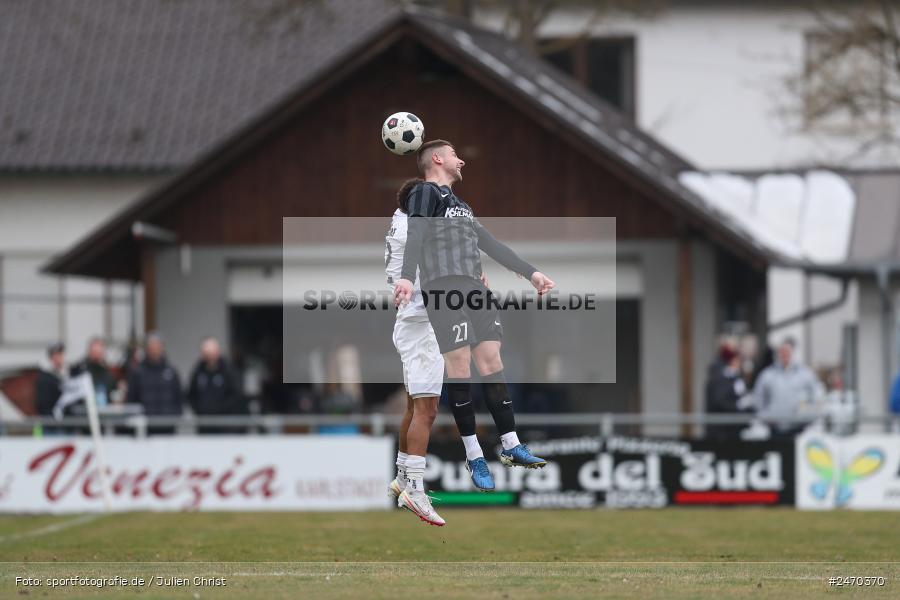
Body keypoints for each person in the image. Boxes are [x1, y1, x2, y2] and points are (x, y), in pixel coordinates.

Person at [393, 140, 555, 519]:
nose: (461, 159)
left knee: (492, 361)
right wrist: (405, 278)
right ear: (437, 159)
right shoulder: (424, 193)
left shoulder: (462, 207)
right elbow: (415, 234)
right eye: (453, 153)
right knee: (460, 365)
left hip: (474, 288)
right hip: (443, 287)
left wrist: (531, 272)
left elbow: (491, 244)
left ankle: (511, 444)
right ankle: (474, 455)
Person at [753, 337, 821, 437]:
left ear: (793, 352)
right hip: (774, 429)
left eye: (787, 352)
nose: (785, 355)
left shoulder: (805, 374)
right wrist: (766, 417)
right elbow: (758, 400)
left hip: (799, 429)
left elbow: (816, 397)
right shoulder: (767, 375)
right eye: (782, 352)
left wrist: (807, 416)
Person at [126, 332, 183, 433]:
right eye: (151, 347)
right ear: (146, 349)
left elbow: (179, 397)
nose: (154, 351)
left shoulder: (171, 372)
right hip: (145, 429)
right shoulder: (138, 373)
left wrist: (174, 417)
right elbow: (131, 399)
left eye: (157, 347)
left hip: (168, 427)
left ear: (162, 349)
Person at [188, 337, 246, 434]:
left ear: (218, 352)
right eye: (206, 353)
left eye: (211, 353)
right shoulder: (197, 372)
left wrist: (219, 409)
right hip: (204, 424)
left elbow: (236, 395)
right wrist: (200, 410)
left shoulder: (229, 371)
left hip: (226, 425)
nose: (209, 356)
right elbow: (191, 395)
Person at [704, 342, 751, 440]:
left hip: (733, 427)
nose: (739, 363)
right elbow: (720, 400)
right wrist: (738, 406)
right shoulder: (719, 375)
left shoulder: (735, 377)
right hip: (719, 429)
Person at [70, 337, 118, 407]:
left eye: (99, 352)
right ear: (89, 352)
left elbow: (112, 395)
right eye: (94, 352)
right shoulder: (80, 371)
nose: (96, 355)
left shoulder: (108, 374)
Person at [35, 343, 66, 417]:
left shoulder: (63, 373)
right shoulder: (45, 377)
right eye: (57, 355)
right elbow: (43, 404)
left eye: (61, 355)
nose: (60, 358)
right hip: (51, 420)